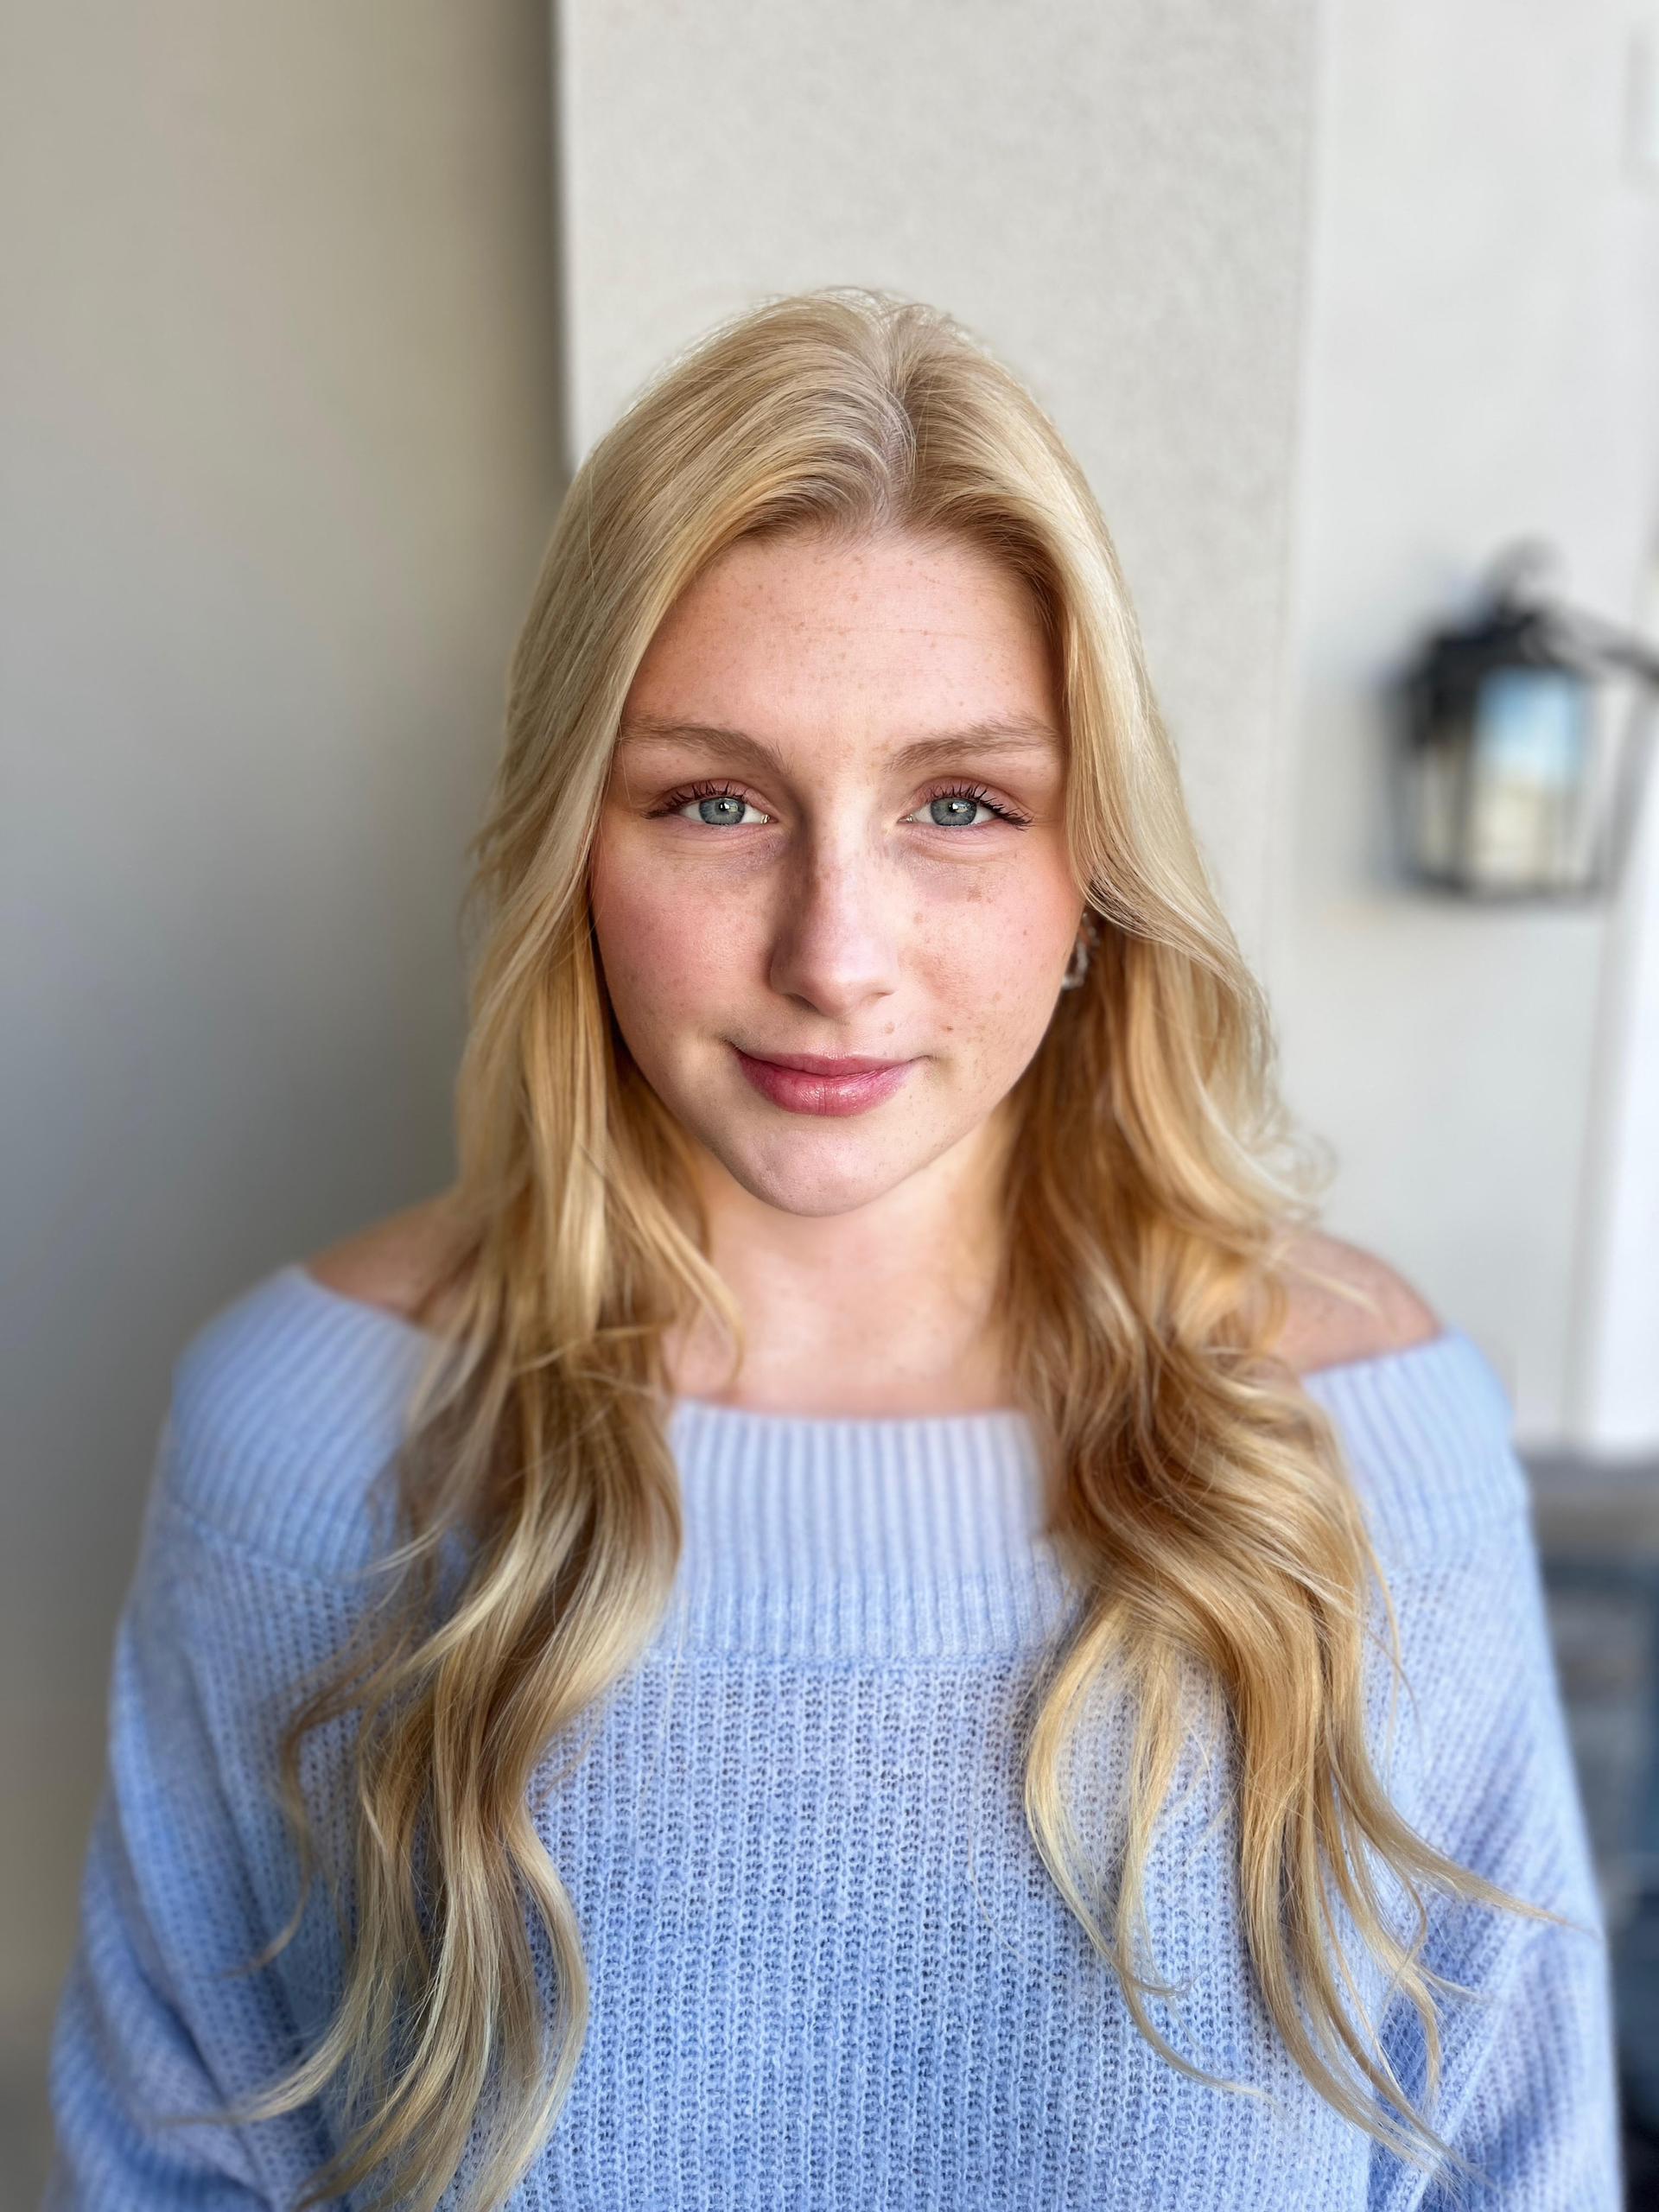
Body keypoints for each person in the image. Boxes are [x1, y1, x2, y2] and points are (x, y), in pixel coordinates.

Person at [46, 293, 1614, 2210]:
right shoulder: (300, 1440)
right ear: (573, 850)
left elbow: (1517, 2169)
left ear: (1091, 877)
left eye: (961, 804)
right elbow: (175, 2170)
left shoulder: (1365, 1451)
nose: (834, 954)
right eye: (714, 801)